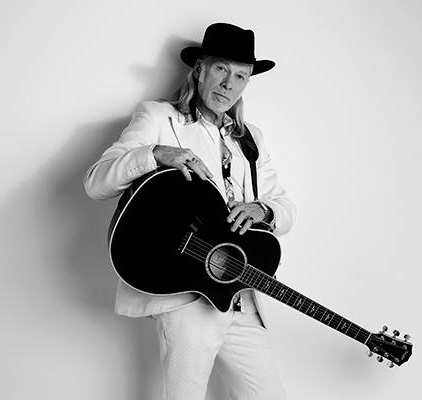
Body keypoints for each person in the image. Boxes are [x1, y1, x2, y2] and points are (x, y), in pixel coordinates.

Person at [84, 22, 295, 400]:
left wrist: (262, 210)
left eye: (241, 75)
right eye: (221, 69)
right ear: (199, 69)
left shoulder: (250, 139)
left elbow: (284, 206)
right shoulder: (158, 117)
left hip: (240, 294)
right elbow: (96, 183)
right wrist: (155, 154)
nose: (229, 84)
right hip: (186, 292)